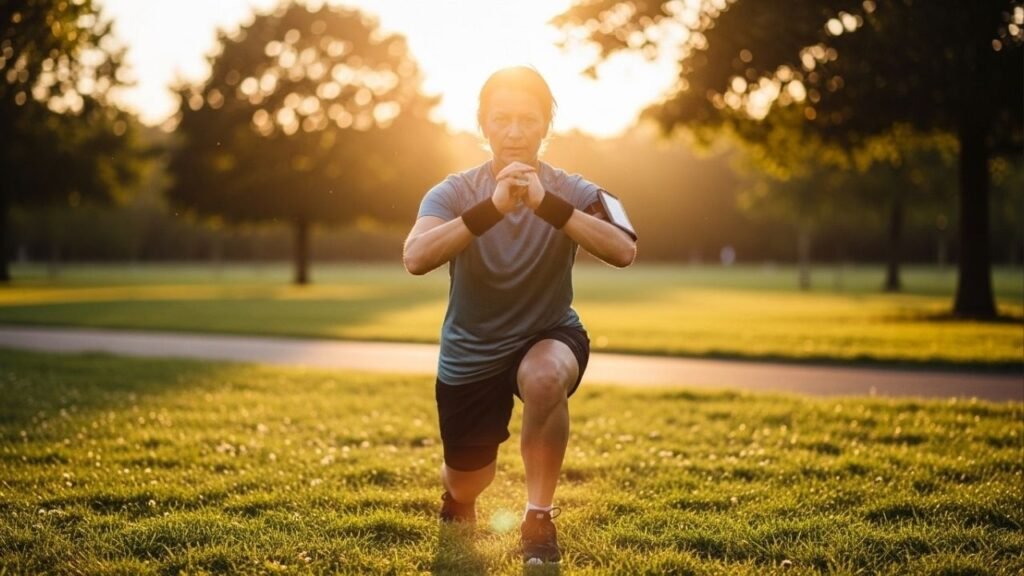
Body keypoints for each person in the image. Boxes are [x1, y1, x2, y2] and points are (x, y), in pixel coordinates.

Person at [402, 66, 637, 565]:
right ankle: (456, 496)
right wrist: (492, 207)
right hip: (472, 348)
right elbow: (416, 258)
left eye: (527, 119)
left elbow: (623, 250)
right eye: (501, 119)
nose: (513, 131)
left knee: (547, 376)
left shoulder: (572, 189)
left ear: (545, 125)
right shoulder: (452, 191)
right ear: (482, 125)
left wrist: (544, 204)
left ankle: (538, 517)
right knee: (469, 481)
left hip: (548, 331)